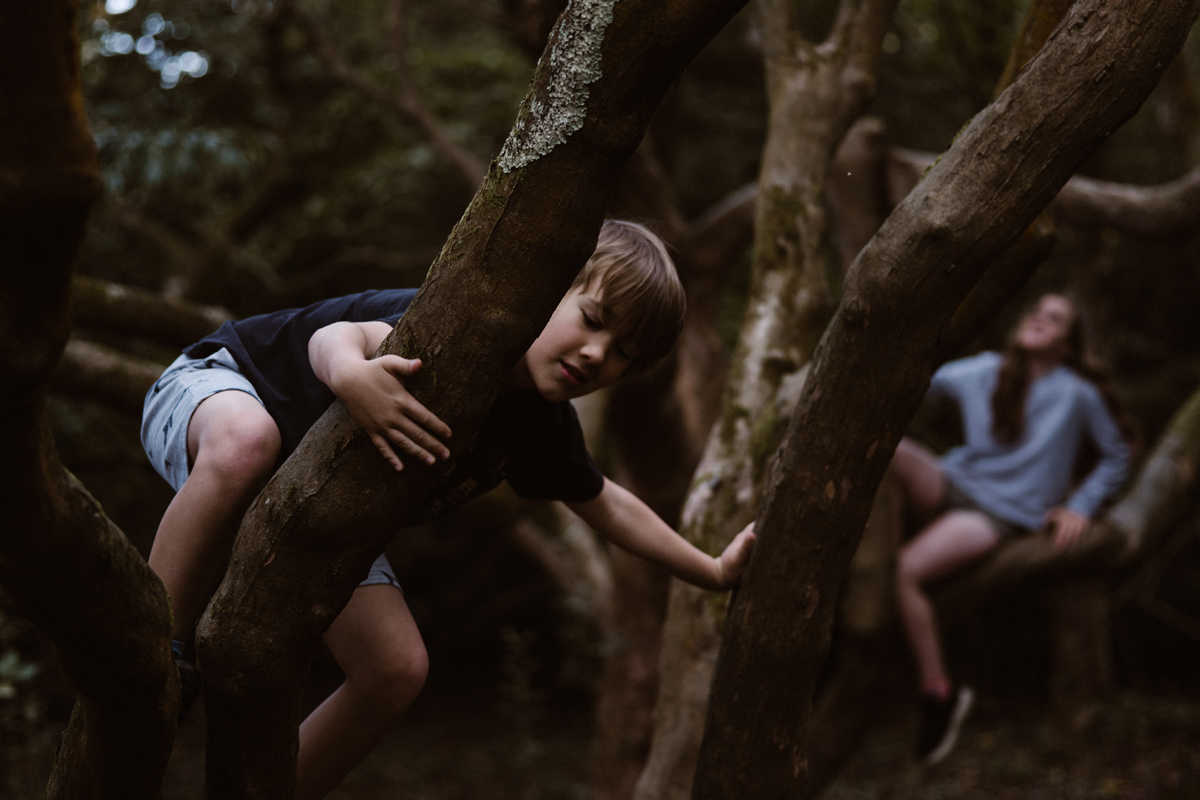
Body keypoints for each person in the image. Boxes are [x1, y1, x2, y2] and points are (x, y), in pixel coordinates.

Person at [141, 219, 756, 799]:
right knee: (249, 442)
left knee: (396, 669)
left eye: (623, 352)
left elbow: (608, 505)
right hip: (216, 391)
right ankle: (153, 651)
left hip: (312, 506)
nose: (598, 353)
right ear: (547, 290)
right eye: (593, 319)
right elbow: (337, 337)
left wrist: (712, 571)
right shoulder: (465, 331)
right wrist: (352, 377)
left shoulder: (539, 424)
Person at [891, 293, 1131, 766]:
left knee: (904, 573)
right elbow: (913, 380)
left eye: (1055, 318)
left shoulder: (1076, 393)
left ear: (1067, 344)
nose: (1040, 318)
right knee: (887, 448)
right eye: (1036, 311)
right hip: (952, 482)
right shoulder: (985, 369)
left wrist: (1079, 506)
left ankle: (939, 692)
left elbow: (1118, 452)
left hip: (997, 514)